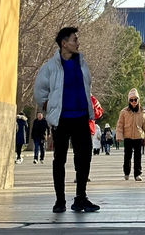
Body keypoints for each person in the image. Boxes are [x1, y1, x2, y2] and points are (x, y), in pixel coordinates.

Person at [34, 26, 100, 214]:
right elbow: (40, 92)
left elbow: (87, 87)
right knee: (59, 159)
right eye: (74, 40)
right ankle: (60, 200)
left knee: (84, 158)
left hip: (81, 118)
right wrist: (51, 108)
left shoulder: (82, 63)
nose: (78, 43)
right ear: (64, 44)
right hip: (62, 120)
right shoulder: (51, 67)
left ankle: (80, 198)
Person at [116, 88, 145, 181]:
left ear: (138, 100)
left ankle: (137, 174)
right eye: (131, 100)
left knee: (138, 157)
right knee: (127, 156)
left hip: (139, 137)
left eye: (135, 99)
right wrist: (119, 136)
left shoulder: (143, 113)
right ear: (129, 101)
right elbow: (120, 125)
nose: (133, 102)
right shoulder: (124, 112)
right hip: (128, 137)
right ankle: (126, 172)